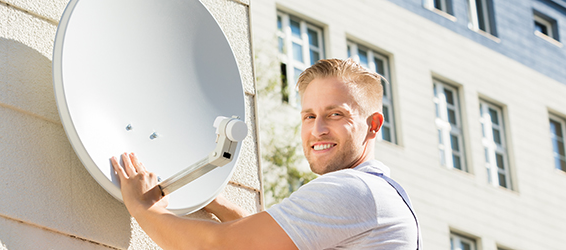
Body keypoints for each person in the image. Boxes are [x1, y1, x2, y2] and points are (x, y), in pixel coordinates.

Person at [111, 58, 420, 249]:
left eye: (336, 115)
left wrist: (143, 209)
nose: (318, 130)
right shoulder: (375, 196)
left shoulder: (353, 192)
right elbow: (271, 239)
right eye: (309, 116)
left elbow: (223, 247)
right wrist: (214, 200)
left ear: (373, 125)